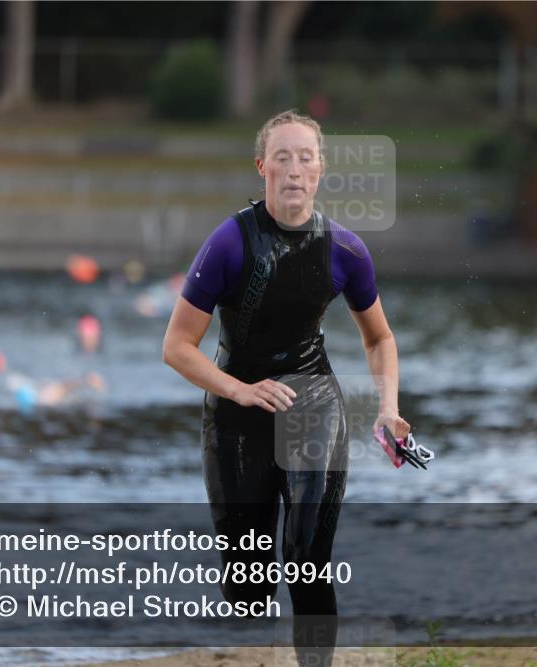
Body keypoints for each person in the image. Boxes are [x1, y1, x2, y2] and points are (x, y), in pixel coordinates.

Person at [162, 110, 410, 666]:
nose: (294, 169)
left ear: (321, 169)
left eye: (305, 158)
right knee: (248, 595)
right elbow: (177, 346)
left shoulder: (345, 251)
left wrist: (387, 408)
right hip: (236, 414)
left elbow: (380, 338)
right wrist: (239, 390)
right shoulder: (229, 242)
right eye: (282, 157)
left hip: (312, 405)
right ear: (262, 168)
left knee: (307, 554)